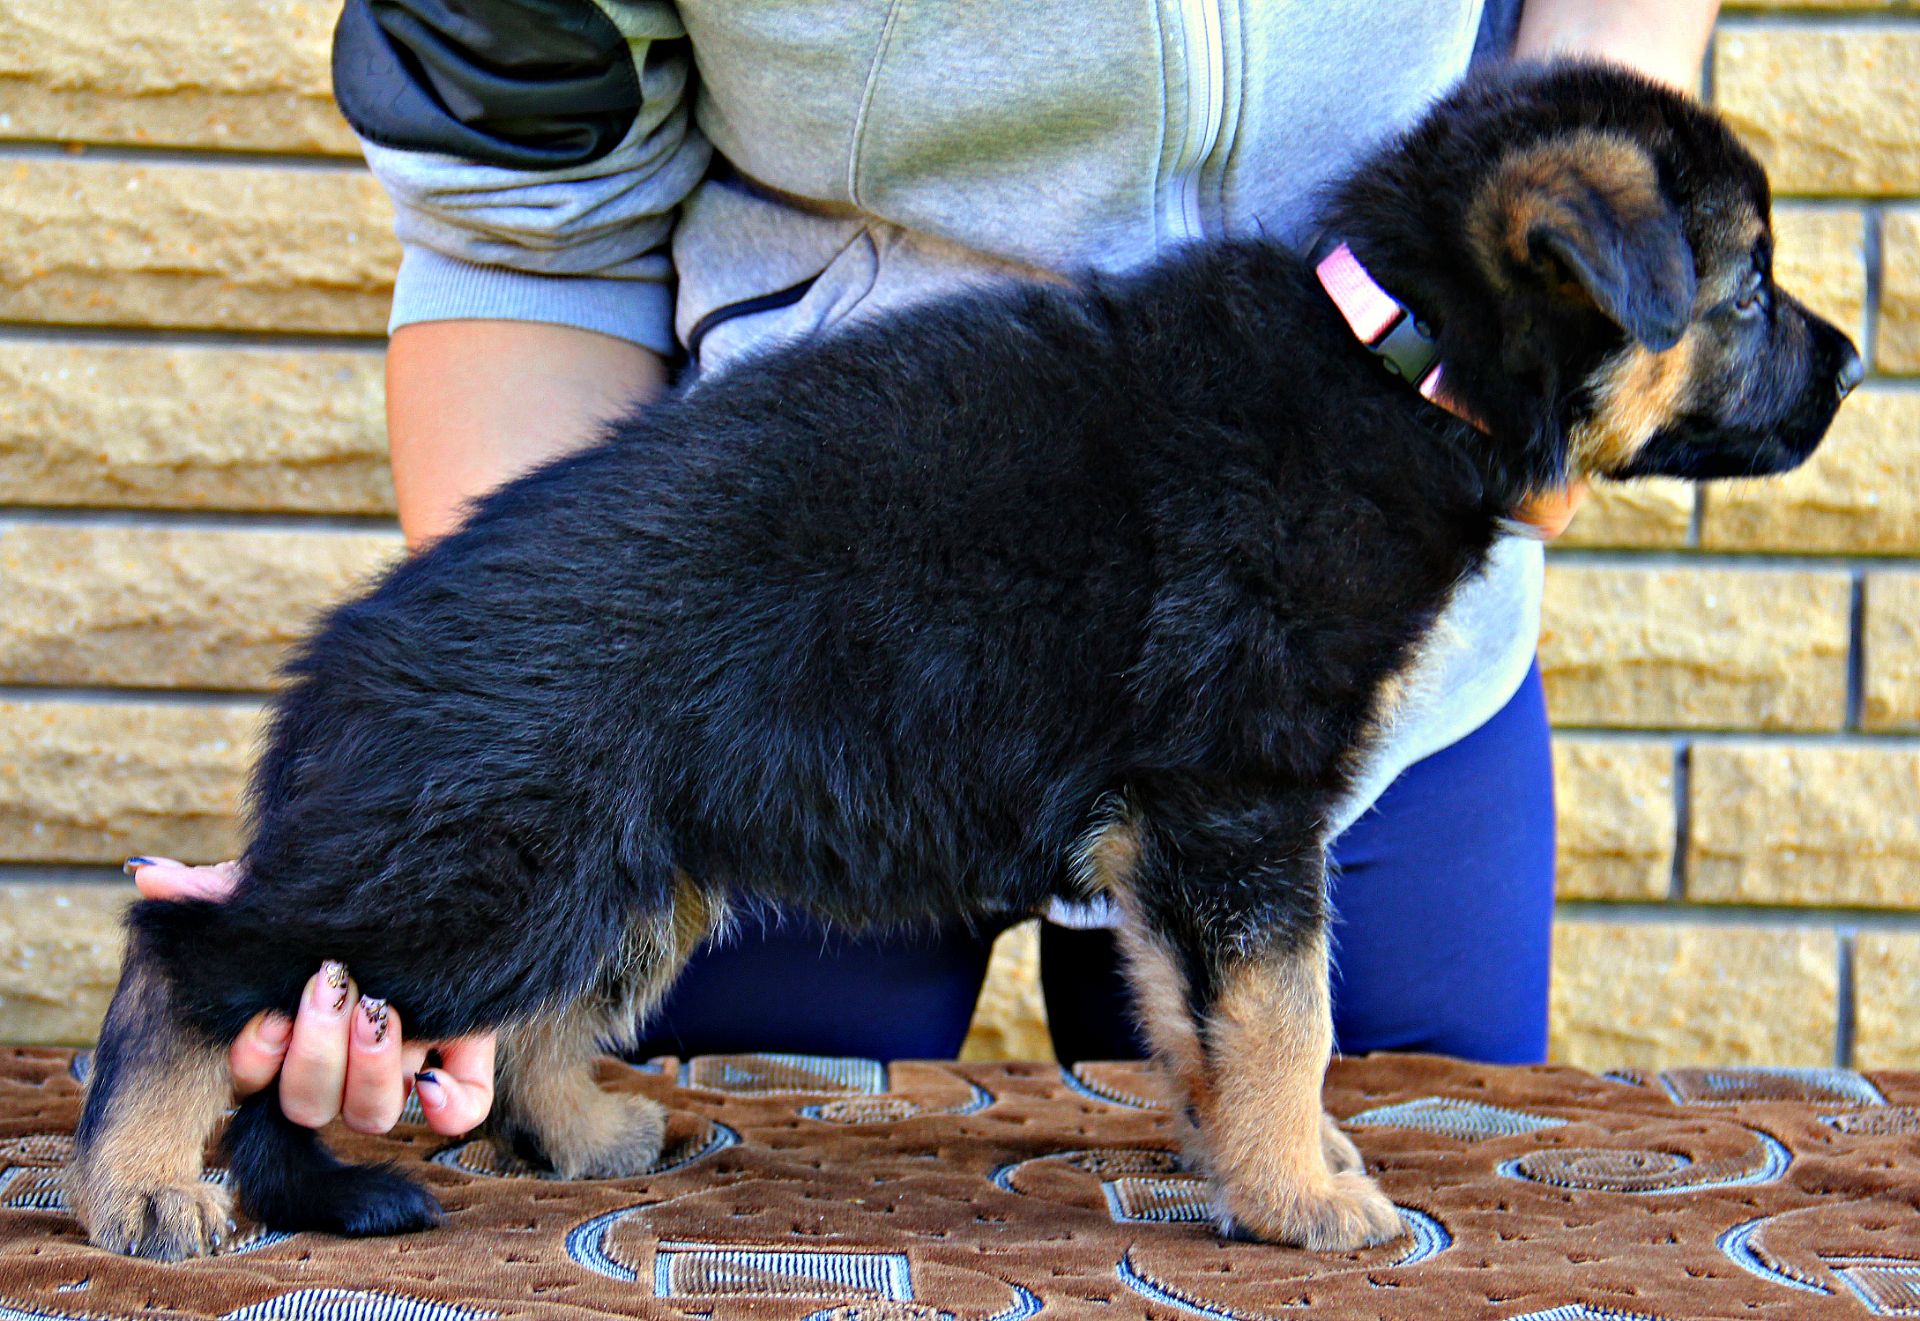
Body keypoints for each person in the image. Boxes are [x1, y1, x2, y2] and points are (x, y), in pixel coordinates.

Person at [128, 0, 1718, 1145]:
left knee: (1401, 1216)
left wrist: (1569, 310)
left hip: (1383, 665)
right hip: (817, 646)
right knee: (739, 1217)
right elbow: (521, 214)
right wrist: (507, 765)